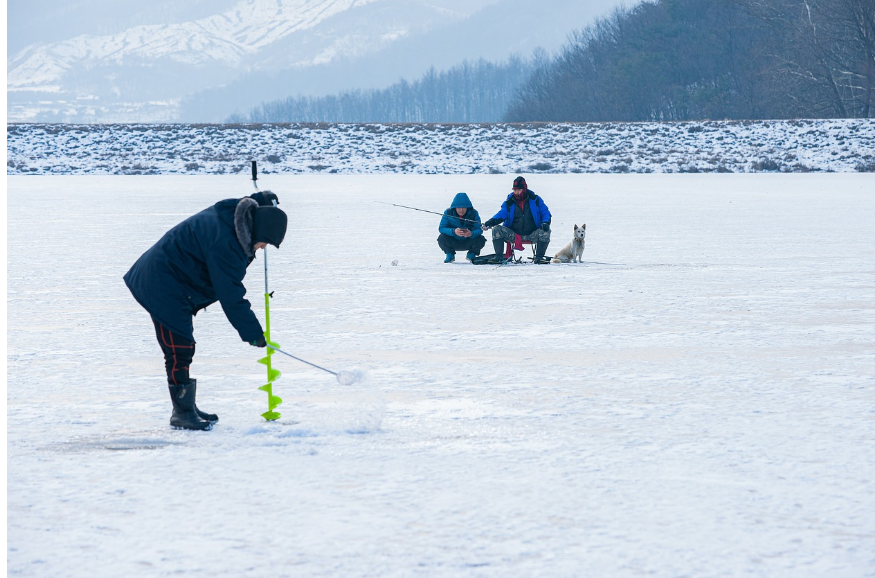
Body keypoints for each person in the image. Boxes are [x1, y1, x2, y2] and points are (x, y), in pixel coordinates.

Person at [124, 191, 287, 431]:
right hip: (161, 283)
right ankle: (182, 413)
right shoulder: (226, 242)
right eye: (265, 242)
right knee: (180, 348)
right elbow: (230, 293)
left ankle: (187, 407)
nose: (262, 249)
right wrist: (253, 333)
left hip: (174, 280)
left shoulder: (235, 219)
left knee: (182, 347)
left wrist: (262, 199)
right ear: (259, 231)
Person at [483, 176, 552, 263]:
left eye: (518, 190)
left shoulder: (536, 200)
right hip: (514, 235)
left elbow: (545, 213)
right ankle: (499, 257)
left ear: (524, 189)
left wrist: (545, 222)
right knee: (496, 229)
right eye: (514, 190)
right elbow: (501, 214)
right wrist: (490, 222)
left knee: (546, 230)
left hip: (532, 234)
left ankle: (539, 257)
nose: (516, 192)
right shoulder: (509, 202)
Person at [437, 192, 486, 263]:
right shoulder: (448, 213)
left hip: (468, 240)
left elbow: (479, 229)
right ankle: (450, 254)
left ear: (468, 207)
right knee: (441, 238)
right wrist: (453, 231)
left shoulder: (474, 213)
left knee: (481, 239)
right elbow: (442, 228)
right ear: (455, 207)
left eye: (464, 207)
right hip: (453, 240)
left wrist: (471, 234)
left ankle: (472, 254)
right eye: (459, 207)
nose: (461, 210)